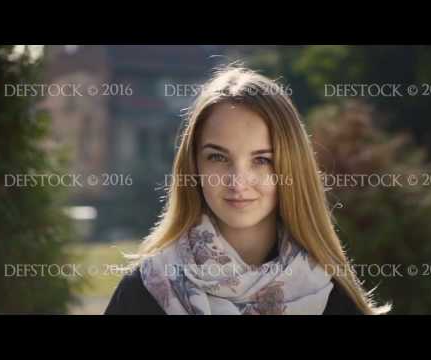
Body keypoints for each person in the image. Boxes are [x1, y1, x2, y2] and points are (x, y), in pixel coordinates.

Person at [105, 65, 391, 315]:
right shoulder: (144, 292)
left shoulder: (332, 299)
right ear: (193, 166)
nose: (238, 182)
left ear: (290, 169)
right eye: (218, 157)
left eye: (262, 160)